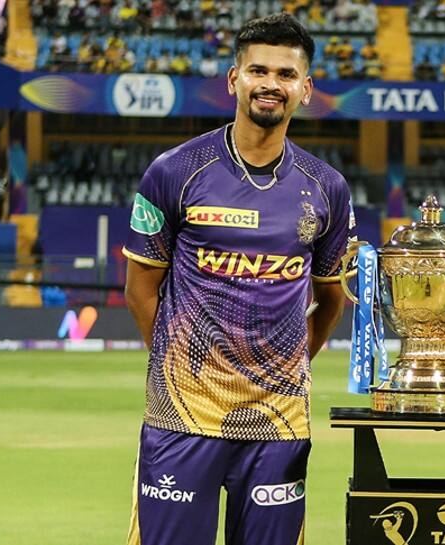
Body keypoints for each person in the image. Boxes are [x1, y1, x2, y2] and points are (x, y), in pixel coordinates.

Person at [122, 13, 353, 545]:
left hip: (278, 421)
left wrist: (288, 365)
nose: (271, 83)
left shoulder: (328, 189)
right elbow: (140, 289)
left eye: (286, 74)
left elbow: (331, 298)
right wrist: (174, 365)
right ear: (234, 80)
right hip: (184, 416)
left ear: (306, 90)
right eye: (258, 70)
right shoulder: (174, 172)